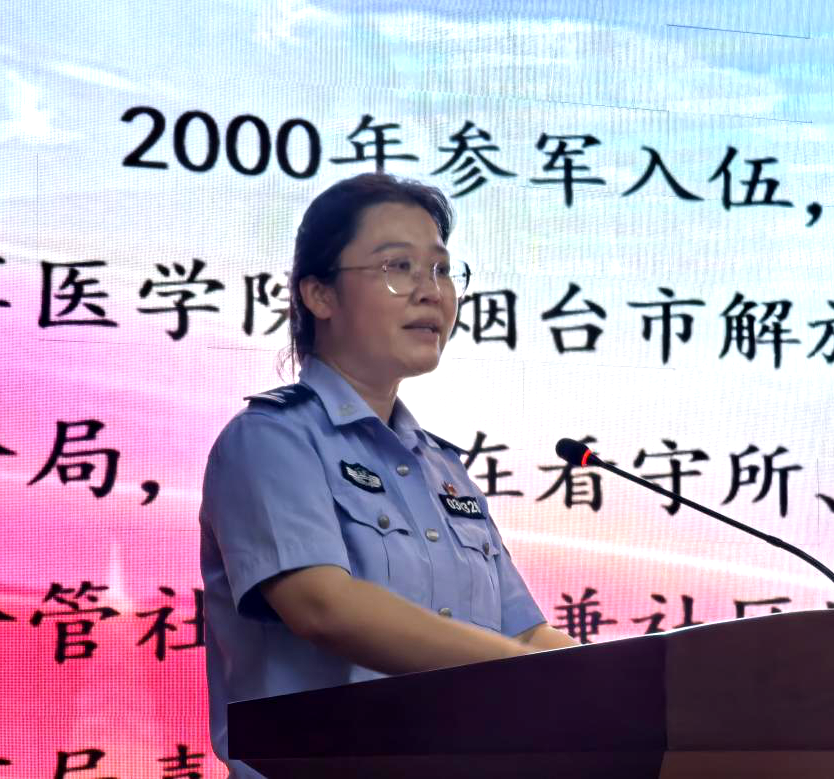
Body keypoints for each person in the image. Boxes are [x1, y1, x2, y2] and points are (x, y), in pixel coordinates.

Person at [199, 172, 578, 777]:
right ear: (320, 295)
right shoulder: (270, 440)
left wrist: (625, 685)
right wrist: (526, 674)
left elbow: (527, 633)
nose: (431, 293)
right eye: (398, 267)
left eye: (441, 270)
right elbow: (324, 606)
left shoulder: (444, 469)